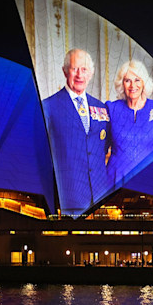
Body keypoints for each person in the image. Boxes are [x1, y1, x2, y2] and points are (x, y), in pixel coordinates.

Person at [41, 49, 111, 216]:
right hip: (68, 199)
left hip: (101, 198)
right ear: (65, 71)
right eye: (75, 69)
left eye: (84, 69)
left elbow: (105, 146)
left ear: (91, 73)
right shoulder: (48, 107)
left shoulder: (101, 107)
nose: (80, 75)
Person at [106, 60, 153, 186]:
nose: (132, 85)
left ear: (144, 83)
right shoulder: (111, 109)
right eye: (127, 80)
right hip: (114, 182)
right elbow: (101, 149)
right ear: (122, 84)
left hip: (149, 182)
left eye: (137, 80)